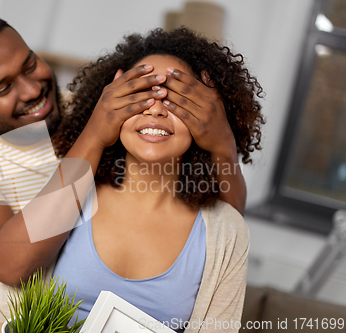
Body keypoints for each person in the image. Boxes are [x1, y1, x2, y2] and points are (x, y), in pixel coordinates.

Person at [0, 17, 249, 319]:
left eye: (29, 65)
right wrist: (94, 134)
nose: (31, 89)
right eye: (3, 88)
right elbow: (11, 265)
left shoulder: (94, 104)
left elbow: (217, 230)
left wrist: (221, 142)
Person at [52, 28, 263, 331]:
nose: (155, 109)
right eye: (140, 94)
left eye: (177, 99)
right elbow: (8, 294)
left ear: (209, 116)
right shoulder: (69, 194)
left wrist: (223, 142)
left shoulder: (223, 232)